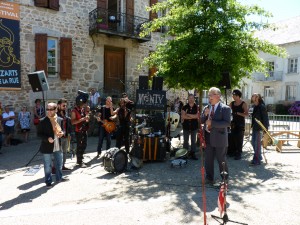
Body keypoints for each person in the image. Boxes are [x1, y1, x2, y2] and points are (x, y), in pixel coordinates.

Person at [201, 87, 231, 184]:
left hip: (220, 138)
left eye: (211, 95)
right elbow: (201, 121)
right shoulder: (206, 107)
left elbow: (227, 123)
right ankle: (209, 177)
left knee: (221, 159)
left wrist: (212, 123)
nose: (209, 97)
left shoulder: (225, 108)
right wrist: (205, 115)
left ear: (218, 96)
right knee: (208, 160)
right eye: (208, 95)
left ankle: (224, 179)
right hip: (208, 137)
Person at [37, 102, 68, 188]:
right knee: (48, 165)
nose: (49, 111)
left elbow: (63, 131)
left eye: (51, 109)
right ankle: (48, 182)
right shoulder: (42, 121)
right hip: (47, 146)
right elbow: (39, 134)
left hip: (58, 145)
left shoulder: (60, 120)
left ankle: (59, 178)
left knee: (59, 163)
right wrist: (47, 139)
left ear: (55, 110)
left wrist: (62, 133)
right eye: (47, 109)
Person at [228, 90, 249, 160]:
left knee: (239, 139)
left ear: (238, 96)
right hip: (233, 123)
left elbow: (247, 114)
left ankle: (239, 153)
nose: (233, 96)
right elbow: (227, 110)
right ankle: (233, 151)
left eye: (234, 95)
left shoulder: (243, 104)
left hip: (240, 124)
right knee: (233, 137)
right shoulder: (232, 103)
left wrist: (238, 113)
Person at [71, 93, 90, 167]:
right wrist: (82, 119)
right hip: (78, 131)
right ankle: (79, 161)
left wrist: (87, 118)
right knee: (80, 145)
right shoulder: (74, 111)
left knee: (84, 144)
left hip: (84, 129)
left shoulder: (82, 109)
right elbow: (73, 122)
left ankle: (81, 158)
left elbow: (85, 119)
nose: (84, 105)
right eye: (83, 104)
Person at [250, 93, 269, 166]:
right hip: (255, 127)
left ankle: (257, 160)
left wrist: (265, 129)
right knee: (253, 142)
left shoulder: (262, 106)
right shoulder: (256, 106)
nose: (252, 97)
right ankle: (259, 156)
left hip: (260, 128)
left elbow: (265, 118)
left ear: (257, 97)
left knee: (257, 144)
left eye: (253, 96)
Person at [181, 94, 199, 160]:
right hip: (186, 126)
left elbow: (197, 116)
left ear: (194, 99)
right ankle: (184, 154)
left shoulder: (197, 107)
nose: (191, 99)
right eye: (189, 98)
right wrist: (192, 116)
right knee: (185, 141)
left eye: (192, 98)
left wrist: (187, 114)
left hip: (194, 126)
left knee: (193, 141)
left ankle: (193, 154)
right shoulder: (184, 107)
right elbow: (183, 116)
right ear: (188, 99)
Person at [57, 98, 72, 171]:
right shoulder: (55, 114)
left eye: (65, 106)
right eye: (63, 105)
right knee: (58, 153)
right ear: (58, 105)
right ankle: (56, 168)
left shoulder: (65, 114)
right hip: (58, 137)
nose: (65, 107)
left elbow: (68, 125)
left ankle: (63, 166)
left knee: (65, 152)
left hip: (66, 136)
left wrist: (69, 134)